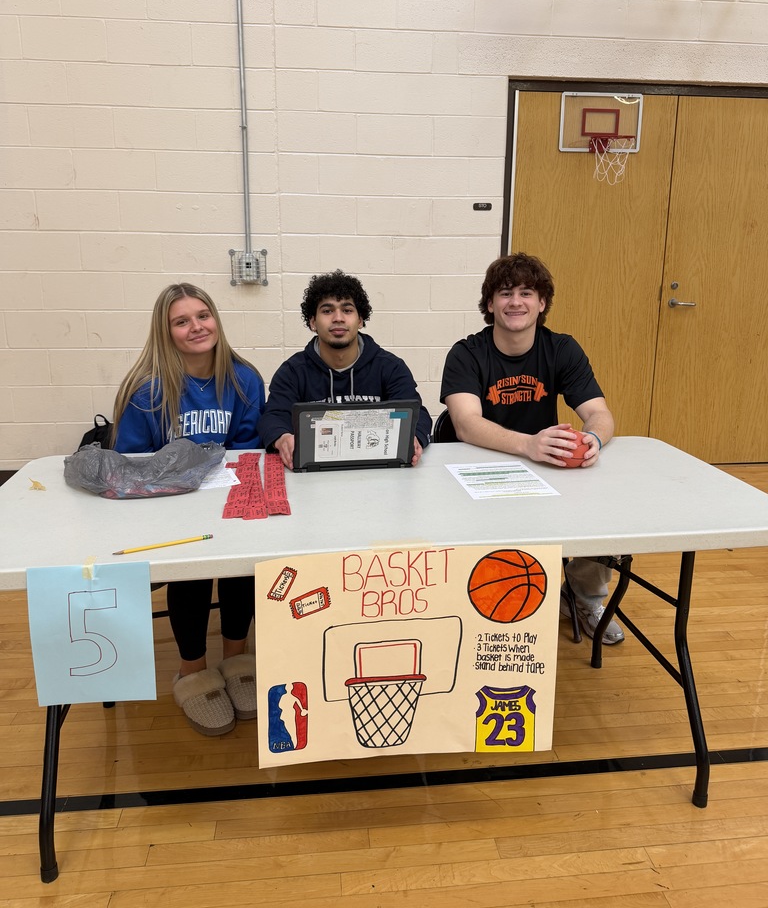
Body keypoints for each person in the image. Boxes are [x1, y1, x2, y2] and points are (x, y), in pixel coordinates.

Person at [440, 252, 625, 644]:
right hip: (479, 471)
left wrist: (592, 440)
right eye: (505, 293)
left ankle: (581, 596)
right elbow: (465, 424)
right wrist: (528, 445)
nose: (516, 302)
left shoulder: (561, 349)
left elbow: (600, 413)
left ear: (542, 303)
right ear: (490, 304)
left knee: (606, 510)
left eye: (527, 292)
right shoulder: (466, 353)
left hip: (544, 467)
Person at [112, 283, 265, 736]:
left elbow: (248, 450)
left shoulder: (244, 378)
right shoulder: (145, 389)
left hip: (227, 496)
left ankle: (237, 657)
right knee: (192, 576)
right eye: (182, 321)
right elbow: (133, 464)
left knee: (242, 569)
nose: (196, 327)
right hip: (170, 505)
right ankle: (192, 671)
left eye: (203, 315)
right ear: (166, 331)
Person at [260, 269, 432, 467]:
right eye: (327, 310)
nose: (338, 318)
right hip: (313, 476)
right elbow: (272, 417)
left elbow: (418, 415)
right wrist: (282, 438)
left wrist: (415, 437)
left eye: (347, 310)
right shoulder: (292, 371)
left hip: (378, 472)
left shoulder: (390, 367)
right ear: (313, 322)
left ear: (360, 320)